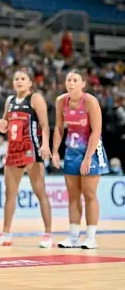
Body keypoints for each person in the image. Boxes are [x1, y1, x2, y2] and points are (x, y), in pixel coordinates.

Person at [0, 69, 53, 248]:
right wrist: (1, 125)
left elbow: (44, 124)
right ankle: (6, 234)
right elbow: (4, 124)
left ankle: (48, 234)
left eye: (23, 78)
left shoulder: (35, 99)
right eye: (16, 78)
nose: (19, 81)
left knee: (39, 191)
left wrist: (46, 144)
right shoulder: (9, 101)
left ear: (30, 83)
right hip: (13, 150)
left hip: (31, 149)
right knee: (9, 193)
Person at [52, 69, 110, 249]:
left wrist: (87, 158)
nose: (71, 83)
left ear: (83, 83)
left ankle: (91, 237)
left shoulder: (91, 102)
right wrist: (55, 151)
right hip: (71, 151)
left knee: (89, 193)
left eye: (75, 80)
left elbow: (97, 132)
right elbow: (59, 128)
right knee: (73, 196)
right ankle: (73, 237)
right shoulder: (61, 101)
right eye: (68, 80)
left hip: (91, 149)